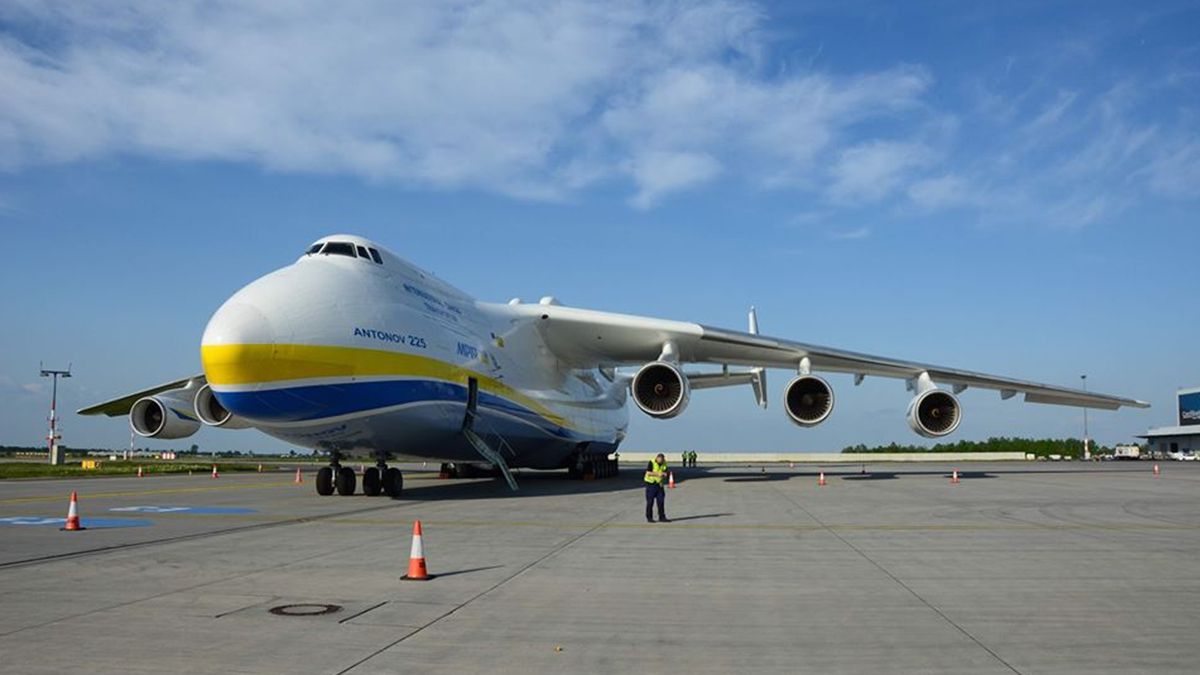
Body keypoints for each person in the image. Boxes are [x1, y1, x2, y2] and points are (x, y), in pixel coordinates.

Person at [644, 453, 670, 523]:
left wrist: (665, 474)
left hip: (659, 485)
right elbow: (648, 473)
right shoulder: (652, 462)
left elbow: (666, 472)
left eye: (662, 460)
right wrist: (658, 474)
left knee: (661, 501)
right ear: (657, 458)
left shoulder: (664, 463)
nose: (661, 461)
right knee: (650, 502)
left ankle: (662, 517)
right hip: (651, 485)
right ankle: (649, 517)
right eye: (660, 460)